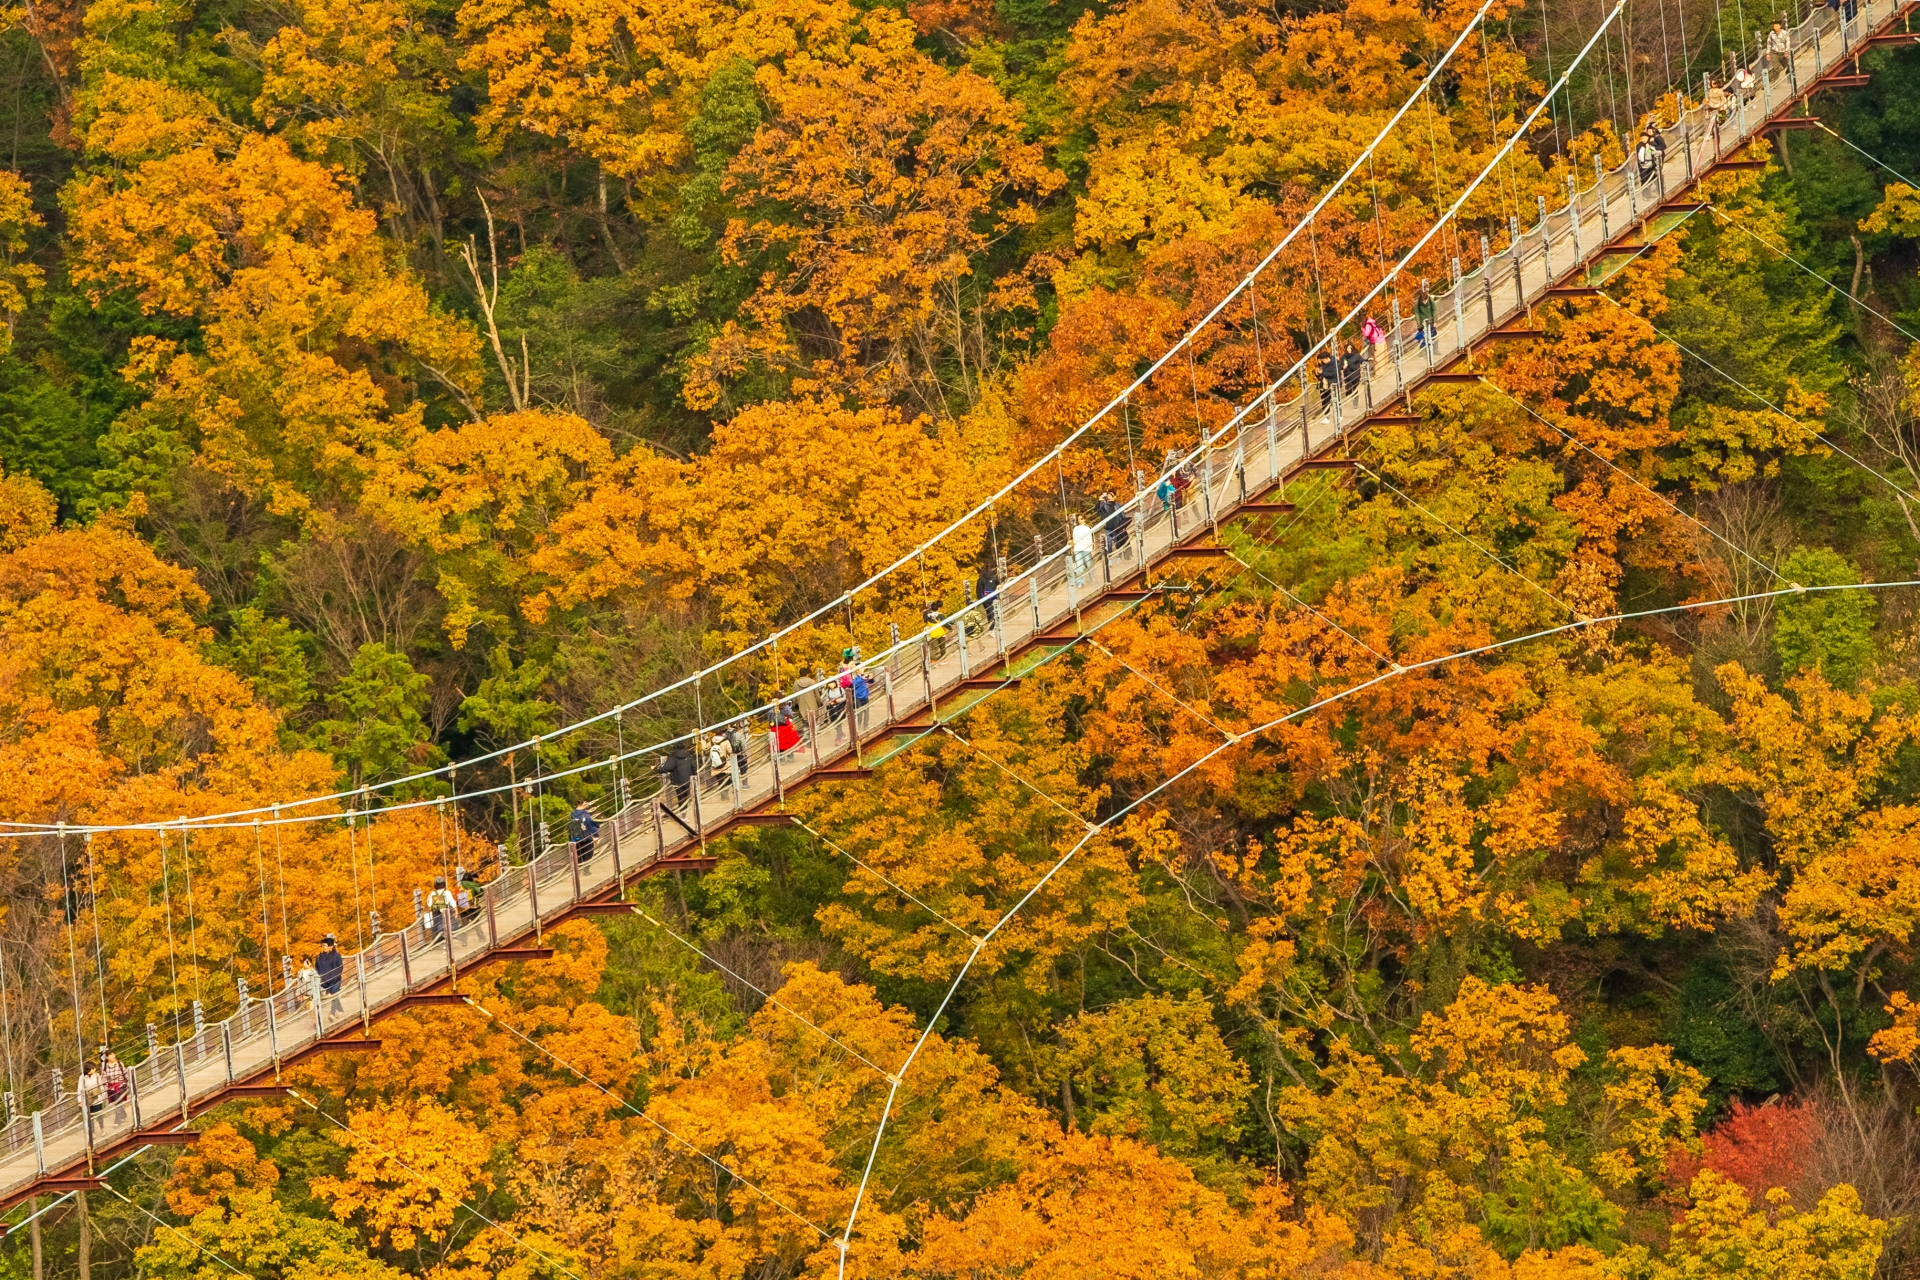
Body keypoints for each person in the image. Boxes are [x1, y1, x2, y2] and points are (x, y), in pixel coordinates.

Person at [315, 934, 345, 1015]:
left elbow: (340, 967)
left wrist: (334, 976)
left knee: (332, 994)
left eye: (325, 945)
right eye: (323, 946)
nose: (324, 947)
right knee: (333, 996)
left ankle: (332, 1013)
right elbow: (317, 969)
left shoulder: (336, 955)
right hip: (326, 981)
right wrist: (321, 978)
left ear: (330, 946)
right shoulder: (319, 957)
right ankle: (340, 1010)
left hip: (335, 980)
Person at [102, 1051, 130, 1121]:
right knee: (117, 1102)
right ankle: (123, 1115)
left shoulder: (120, 1063)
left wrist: (129, 1083)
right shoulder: (105, 1066)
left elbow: (125, 1074)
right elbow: (103, 1077)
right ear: (107, 1057)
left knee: (117, 1100)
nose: (113, 1056)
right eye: (111, 1055)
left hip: (121, 1085)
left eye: (113, 1054)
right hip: (111, 1087)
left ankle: (117, 1120)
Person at [1101, 492, 1129, 557]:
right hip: (1108, 527)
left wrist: (1123, 526)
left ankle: (1119, 558)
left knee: (1118, 543)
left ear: (1114, 496)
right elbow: (1101, 509)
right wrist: (1102, 499)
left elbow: (1122, 516)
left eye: (1110, 495)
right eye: (1108, 495)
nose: (1108, 496)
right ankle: (1109, 560)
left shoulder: (1118, 505)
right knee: (1109, 544)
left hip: (1117, 526)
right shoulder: (1105, 505)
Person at [1070, 517, 1094, 586]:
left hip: (1086, 548)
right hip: (1077, 548)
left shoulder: (1087, 528)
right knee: (1079, 565)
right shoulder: (1075, 528)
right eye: (1078, 519)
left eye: (1081, 519)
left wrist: (1091, 549)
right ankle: (1080, 582)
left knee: (1089, 564)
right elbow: (1074, 538)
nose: (1079, 520)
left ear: (1084, 519)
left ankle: (1092, 577)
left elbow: (1090, 539)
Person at [1414, 283, 1438, 353]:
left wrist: (1435, 321)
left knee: (1433, 334)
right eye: (1422, 301)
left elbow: (1434, 310)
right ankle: (1424, 350)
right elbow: (1417, 313)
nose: (1424, 302)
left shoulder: (1430, 300)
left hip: (1431, 320)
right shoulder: (1417, 302)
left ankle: (1435, 350)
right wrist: (1418, 323)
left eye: (1425, 301)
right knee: (1422, 336)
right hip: (1422, 321)